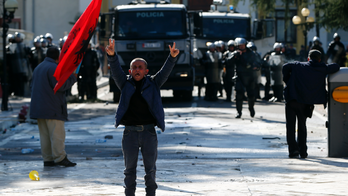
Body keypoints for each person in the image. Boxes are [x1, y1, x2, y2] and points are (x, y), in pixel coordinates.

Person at [106, 39, 179, 196]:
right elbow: (116, 70)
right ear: (130, 70)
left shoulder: (153, 83)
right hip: (130, 134)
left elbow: (165, 72)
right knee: (129, 171)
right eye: (134, 67)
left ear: (146, 71)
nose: (137, 70)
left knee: (150, 170)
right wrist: (112, 56)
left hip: (149, 133)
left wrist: (172, 57)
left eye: (140, 67)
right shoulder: (124, 83)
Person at [282, 49, 340, 159]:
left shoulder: (298, 65)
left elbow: (285, 66)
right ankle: (303, 151)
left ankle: (293, 151)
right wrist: (323, 65)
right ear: (319, 59)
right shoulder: (322, 68)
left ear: (308, 58)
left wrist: (287, 81)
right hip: (305, 102)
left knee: (290, 126)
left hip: (292, 99)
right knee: (302, 126)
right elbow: (336, 66)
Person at [30, 46, 77, 167]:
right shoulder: (54, 68)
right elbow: (60, 86)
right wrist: (72, 77)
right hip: (53, 107)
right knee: (57, 135)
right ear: (58, 57)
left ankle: (48, 158)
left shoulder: (38, 67)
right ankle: (60, 158)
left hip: (39, 108)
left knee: (44, 136)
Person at [228, 37, 260, 118]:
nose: (241, 47)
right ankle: (239, 112)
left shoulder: (251, 53)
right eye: (240, 46)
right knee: (239, 95)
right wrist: (234, 56)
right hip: (239, 77)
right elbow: (228, 63)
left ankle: (251, 108)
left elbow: (258, 62)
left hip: (250, 76)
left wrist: (255, 66)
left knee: (251, 95)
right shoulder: (236, 54)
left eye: (243, 45)